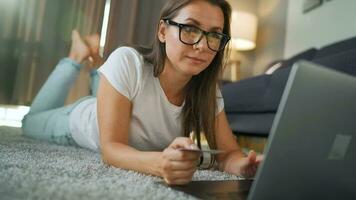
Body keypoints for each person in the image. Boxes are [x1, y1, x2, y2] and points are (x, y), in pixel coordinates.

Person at [22, 0, 263, 185]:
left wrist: (244, 166)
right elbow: (112, 149)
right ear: (162, 31)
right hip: (80, 121)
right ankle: (76, 57)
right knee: (29, 122)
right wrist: (160, 164)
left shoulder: (208, 93)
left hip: (121, 94)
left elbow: (228, 153)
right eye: (190, 28)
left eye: (214, 34)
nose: (202, 45)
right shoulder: (127, 61)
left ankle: (97, 65)